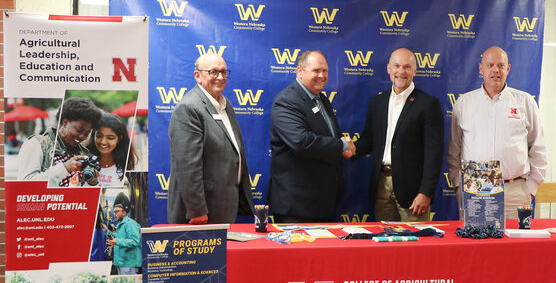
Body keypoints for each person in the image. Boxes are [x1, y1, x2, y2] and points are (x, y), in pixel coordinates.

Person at [447, 46, 547, 220]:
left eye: (500, 65)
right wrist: (458, 185)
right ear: (481, 68)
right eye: (490, 65)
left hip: (515, 192)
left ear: (508, 69)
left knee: (514, 247)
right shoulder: (464, 103)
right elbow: (454, 150)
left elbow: (538, 148)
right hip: (474, 189)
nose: (495, 70)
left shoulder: (525, 102)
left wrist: (530, 189)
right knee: (475, 246)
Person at [353, 48, 444, 221]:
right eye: (396, 66)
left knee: (416, 245)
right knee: (386, 242)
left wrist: (425, 192)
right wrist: (350, 148)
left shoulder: (428, 104)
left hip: (413, 189)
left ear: (414, 71)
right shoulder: (377, 103)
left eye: (407, 67)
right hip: (381, 185)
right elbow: (369, 140)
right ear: (388, 69)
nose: (401, 71)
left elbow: (434, 154)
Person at [268, 50, 354, 223]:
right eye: (316, 70)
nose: (321, 76)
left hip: (323, 202)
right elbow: (302, 142)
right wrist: (342, 145)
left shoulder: (322, 99)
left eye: (325, 71)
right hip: (297, 205)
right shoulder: (286, 100)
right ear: (300, 71)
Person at [167, 53, 254, 224]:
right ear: (197, 76)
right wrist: (197, 210)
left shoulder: (225, 105)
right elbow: (187, 166)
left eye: (223, 72)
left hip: (223, 206)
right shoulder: (189, 108)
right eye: (213, 72)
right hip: (201, 213)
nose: (220, 77)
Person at [17, 97, 103, 187]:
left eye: (87, 133)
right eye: (79, 130)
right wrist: (64, 168)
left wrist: (93, 183)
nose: (82, 136)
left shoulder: (84, 154)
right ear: (65, 123)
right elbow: (25, 185)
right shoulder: (37, 143)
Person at [88, 112, 139, 187]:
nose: (103, 142)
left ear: (120, 138)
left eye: (110, 138)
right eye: (99, 136)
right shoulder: (83, 157)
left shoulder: (130, 162)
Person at [106, 202, 142, 274]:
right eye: (114, 212)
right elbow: (118, 238)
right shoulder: (121, 224)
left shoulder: (130, 224)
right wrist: (106, 231)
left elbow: (134, 241)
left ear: (124, 213)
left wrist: (117, 242)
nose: (114, 214)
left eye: (117, 211)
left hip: (129, 264)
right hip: (122, 263)